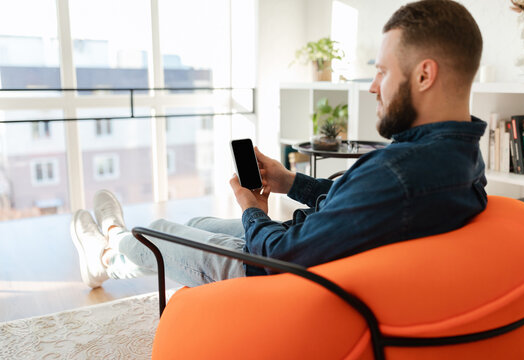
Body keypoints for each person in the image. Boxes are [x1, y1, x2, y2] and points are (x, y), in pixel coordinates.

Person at [71, 0, 487, 289]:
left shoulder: (400, 171)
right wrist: (291, 182)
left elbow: (283, 253)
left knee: (157, 232)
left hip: (271, 274)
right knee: (196, 225)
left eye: (381, 72)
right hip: (315, 250)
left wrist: (253, 210)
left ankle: (106, 252)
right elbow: (364, 205)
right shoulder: (460, 157)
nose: (373, 87)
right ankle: (110, 243)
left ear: (424, 75)